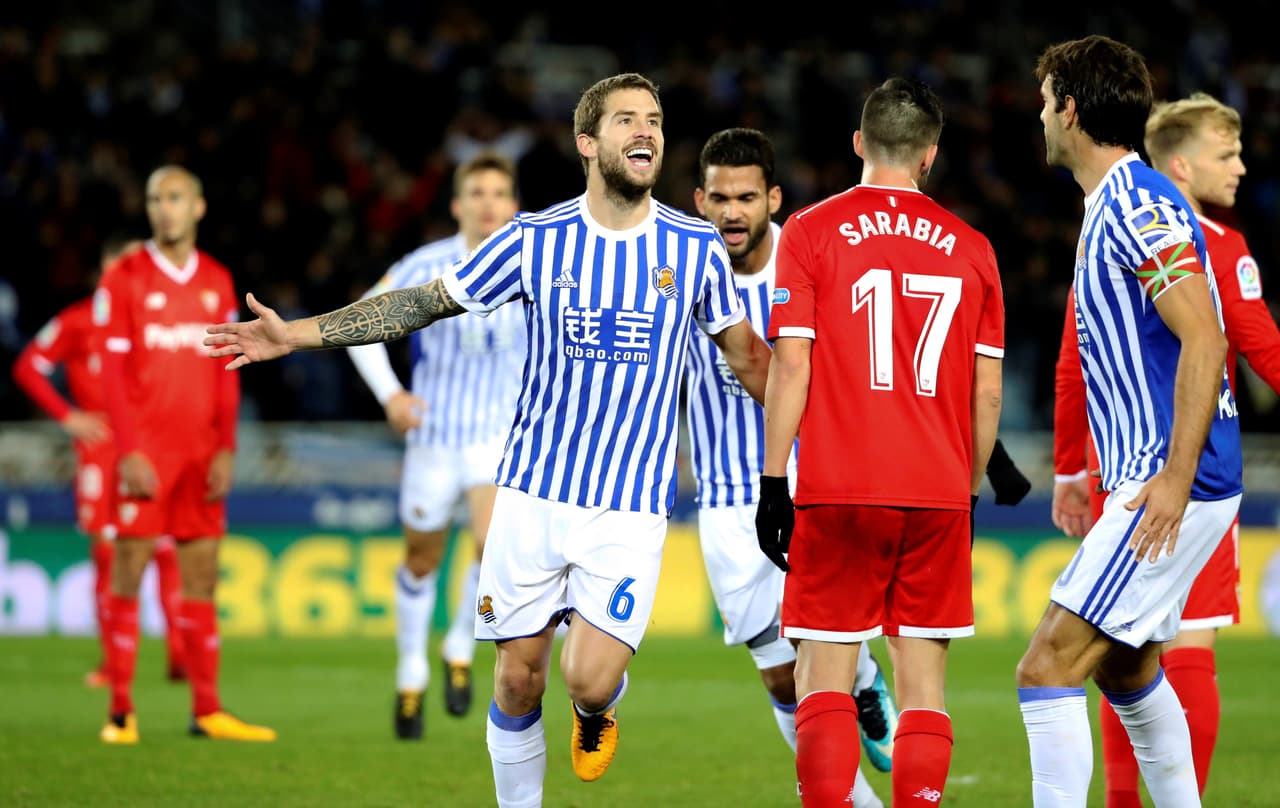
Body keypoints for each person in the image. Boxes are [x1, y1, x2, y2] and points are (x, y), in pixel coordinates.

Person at [205, 73, 773, 806]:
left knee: (588, 679)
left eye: (655, 121)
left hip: (628, 508)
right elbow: (421, 304)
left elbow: (749, 357)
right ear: (586, 142)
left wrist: (826, 428)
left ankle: (595, 713)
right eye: (626, 119)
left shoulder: (695, 247)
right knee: (514, 678)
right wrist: (299, 334)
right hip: (532, 495)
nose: (645, 132)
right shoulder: (536, 240)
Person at [756, 76, 1005, 807]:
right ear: (930, 155)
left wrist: (776, 483)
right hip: (937, 491)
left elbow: (791, 364)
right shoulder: (975, 248)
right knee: (922, 685)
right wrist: (967, 489)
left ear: (860, 143)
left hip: (839, 487)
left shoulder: (809, 230)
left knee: (823, 678)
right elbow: (985, 393)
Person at [1022, 36, 1242, 807]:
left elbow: (1205, 336)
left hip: (1168, 479)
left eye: (1047, 101)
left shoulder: (1134, 203)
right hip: (1164, 476)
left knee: (1046, 665)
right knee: (1127, 666)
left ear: (1072, 111)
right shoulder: (1121, 202)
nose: (1040, 116)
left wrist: (1174, 481)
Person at [1051, 91, 1278, 807]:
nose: (1240, 167)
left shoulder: (1107, 225)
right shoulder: (1216, 246)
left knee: (1118, 650)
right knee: (1178, 651)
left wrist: (1068, 470)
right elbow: (1257, 345)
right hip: (1185, 469)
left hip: (1131, 473)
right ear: (1181, 162)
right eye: (1227, 153)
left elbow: (1071, 361)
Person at [687, 127, 895, 807]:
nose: (732, 212)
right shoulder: (679, 272)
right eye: (719, 197)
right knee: (780, 679)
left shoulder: (811, 263)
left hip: (816, 480)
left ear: (772, 197)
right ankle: (863, 684)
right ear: (699, 200)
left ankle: (861, 686)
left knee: (821, 657)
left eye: (746, 196)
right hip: (725, 499)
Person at [346, 151, 524, 738]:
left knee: (489, 546)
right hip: (434, 440)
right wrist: (391, 395)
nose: (489, 203)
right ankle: (410, 672)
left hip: (499, 439)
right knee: (421, 561)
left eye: (498, 193)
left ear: (513, 203)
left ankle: (456, 646)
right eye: (477, 193)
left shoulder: (536, 264)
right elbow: (359, 324)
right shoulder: (426, 264)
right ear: (458, 205)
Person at [96, 166, 275, 744]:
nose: (164, 208)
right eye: (155, 199)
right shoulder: (124, 276)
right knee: (128, 572)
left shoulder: (216, 280)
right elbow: (114, 376)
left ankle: (207, 710)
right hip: (147, 457)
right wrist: (127, 452)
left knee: (200, 580)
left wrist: (226, 447)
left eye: (175, 198)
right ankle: (121, 711)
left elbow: (227, 370)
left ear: (197, 207)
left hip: (201, 457)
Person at [12, 236, 188, 688]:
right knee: (108, 556)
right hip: (102, 449)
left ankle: (179, 654)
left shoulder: (157, 318)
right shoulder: (77, 321)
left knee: (166, 549)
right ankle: (113, 664)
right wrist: (67, 415)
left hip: (153, 445)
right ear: (103, 272)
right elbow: (28, 366)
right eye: (119, 265)